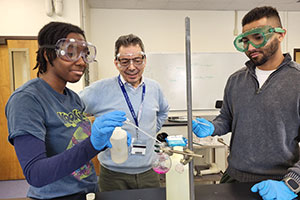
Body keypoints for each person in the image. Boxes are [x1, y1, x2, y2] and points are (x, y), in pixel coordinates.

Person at [5, 21, 129, 199]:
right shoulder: (27, 99)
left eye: (85, 55)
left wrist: (103, 142)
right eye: (70, 54)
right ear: (48, 55)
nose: (81, 62)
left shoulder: (73, 98)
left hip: (87, 192)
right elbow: (36, 173)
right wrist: (93, 143)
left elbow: (75, 147)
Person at [192, 6, 300, 200]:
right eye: (245, 41)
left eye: (258, 37)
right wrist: (212, 127)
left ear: (281, 35)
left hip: (279, 186)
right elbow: (226, 118)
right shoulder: (236, 80)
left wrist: (292, 183)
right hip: (234, 179)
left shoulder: (297, 81)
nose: (250, 48)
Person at [79, 34, 170, 192]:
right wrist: (92, 133)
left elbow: (163, 112)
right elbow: (69, 111)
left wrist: (148, 132)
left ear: (144, 60)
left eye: (137, 60)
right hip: (113, 175)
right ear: (116, 63)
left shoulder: (154, 88)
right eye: (125, 61)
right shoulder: (98, 90)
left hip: (149, 172)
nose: (132, 67)